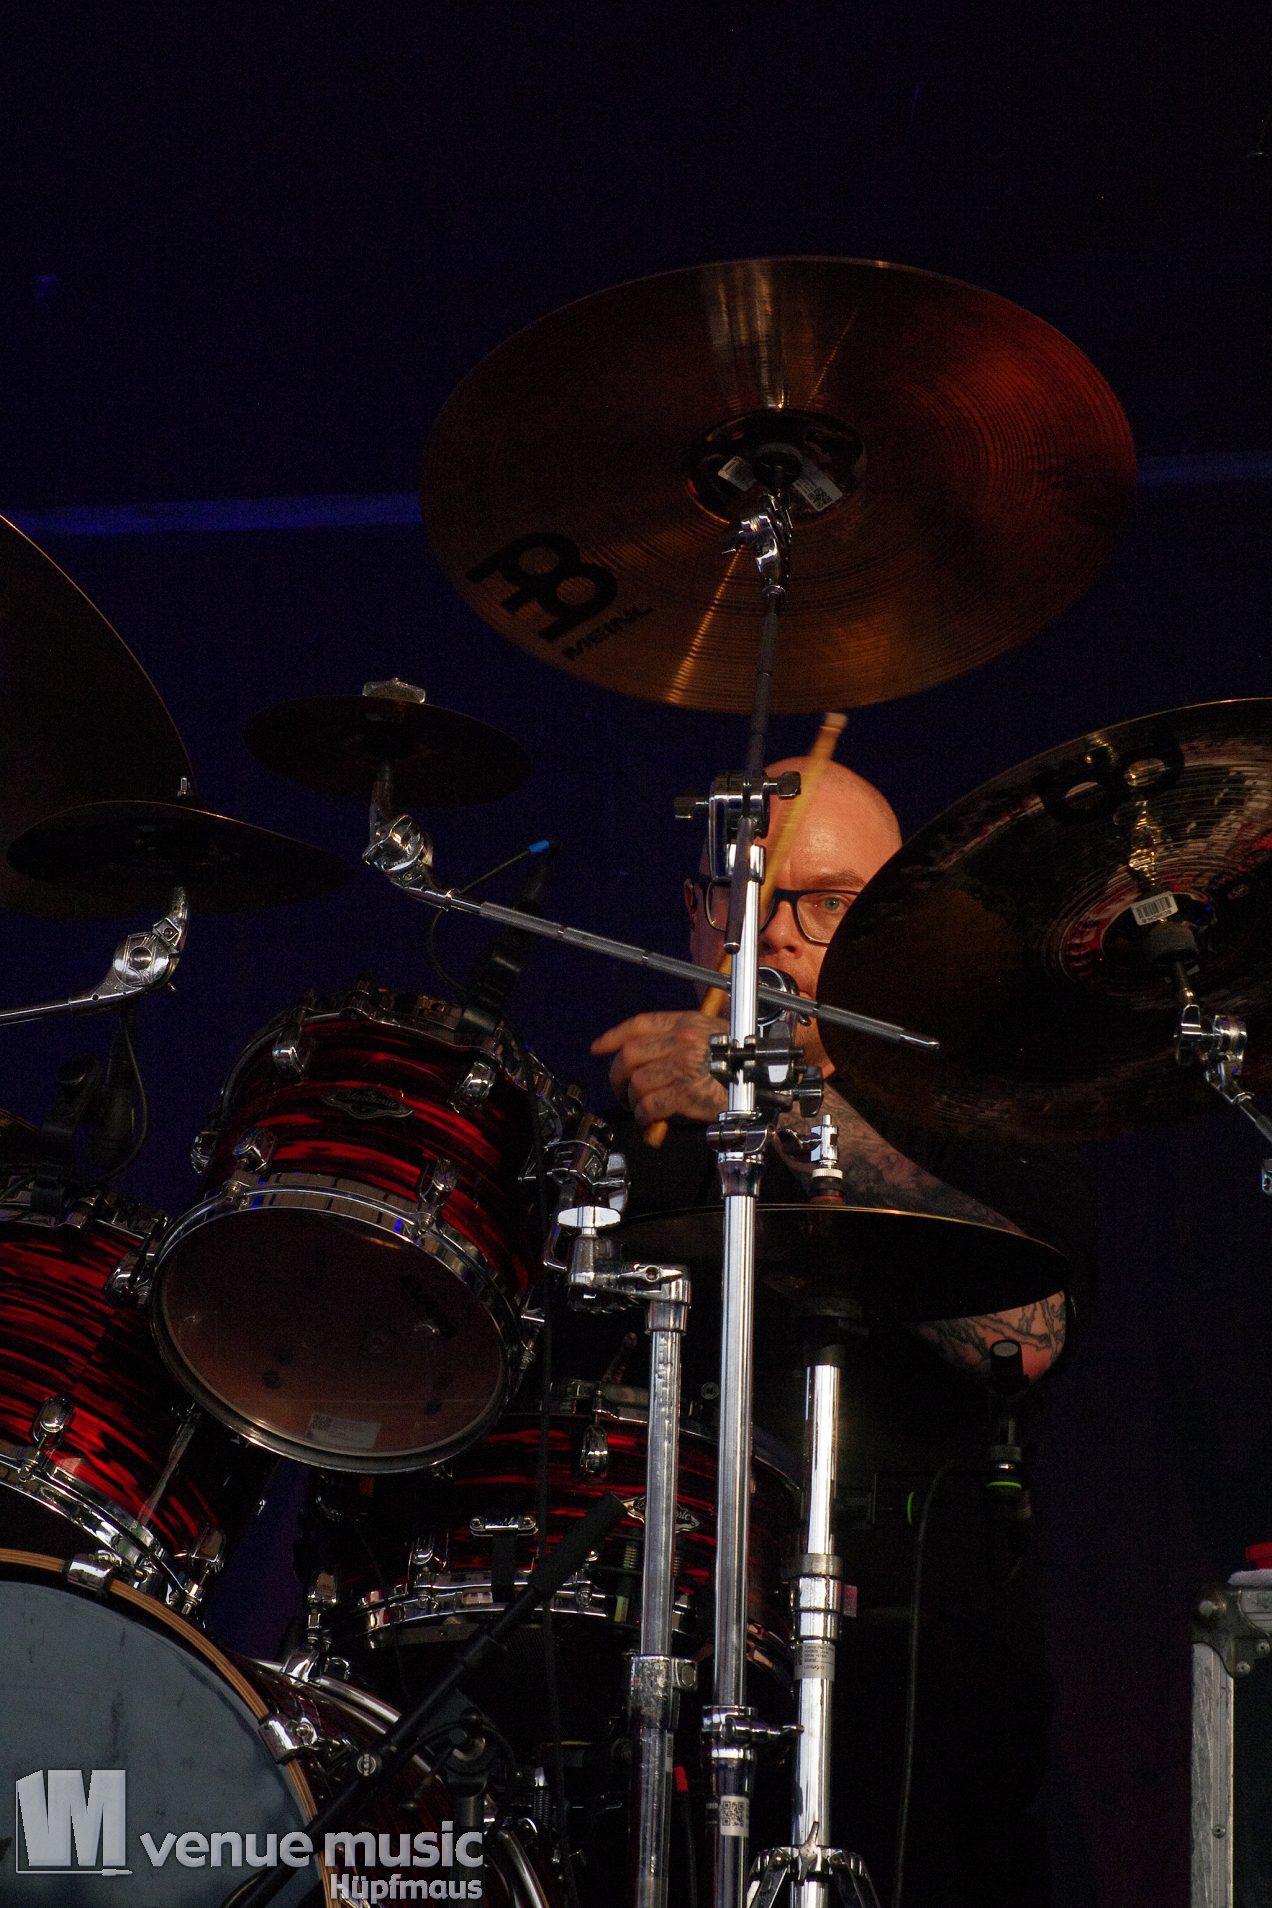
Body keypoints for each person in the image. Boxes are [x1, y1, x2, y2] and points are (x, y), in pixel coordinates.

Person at [589, 757, 1094, 1907]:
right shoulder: (626, 1134)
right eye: (747, 896)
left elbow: (1023, 1337)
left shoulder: (980, 1107)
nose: (775, 935)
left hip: (917, 1708)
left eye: (823, 905)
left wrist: (777, 1100)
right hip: (647, 1682)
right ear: (696, 915)